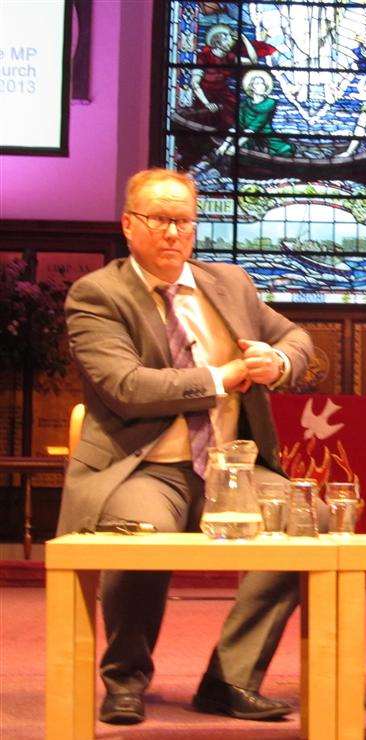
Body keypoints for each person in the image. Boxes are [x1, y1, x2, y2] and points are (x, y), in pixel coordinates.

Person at [56, 168, 313, 725]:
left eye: (184, 221)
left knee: (303, 522)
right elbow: (127, 387)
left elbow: (296, 337)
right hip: (147, 465)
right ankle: (125, 677)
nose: (174, 233)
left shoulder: (230, 284)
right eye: (160, 220)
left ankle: (230, 679)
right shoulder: (98, 293)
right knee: (138, 536)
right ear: (128, 225)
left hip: (233, 466)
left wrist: (279, 360)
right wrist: (222, 377)